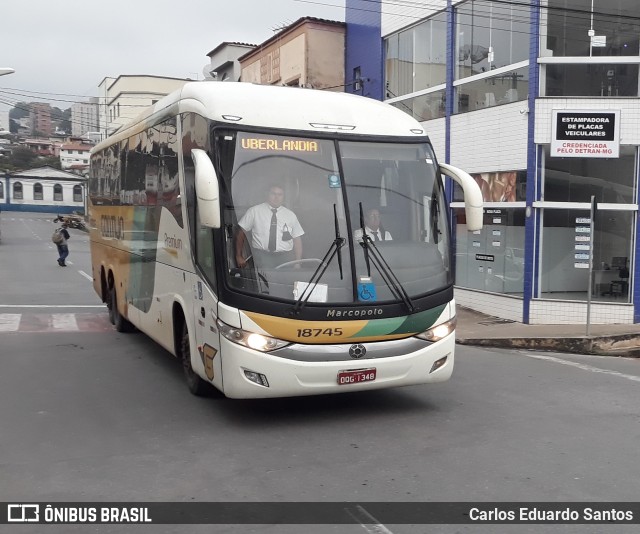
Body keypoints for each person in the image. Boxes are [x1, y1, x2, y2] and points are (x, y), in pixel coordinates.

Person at [235, 184, 304, 269]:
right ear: (267, 194)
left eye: (280, 194)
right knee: (264, 281)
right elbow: (241, 233)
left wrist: (298, 262)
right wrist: (239, 255)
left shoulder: (290, 215)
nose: (276, 197)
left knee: (284, 281)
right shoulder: (254, 211)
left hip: (285, 257)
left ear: (283, 197)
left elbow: (297, 239)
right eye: (273, 194)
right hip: (262, 257)